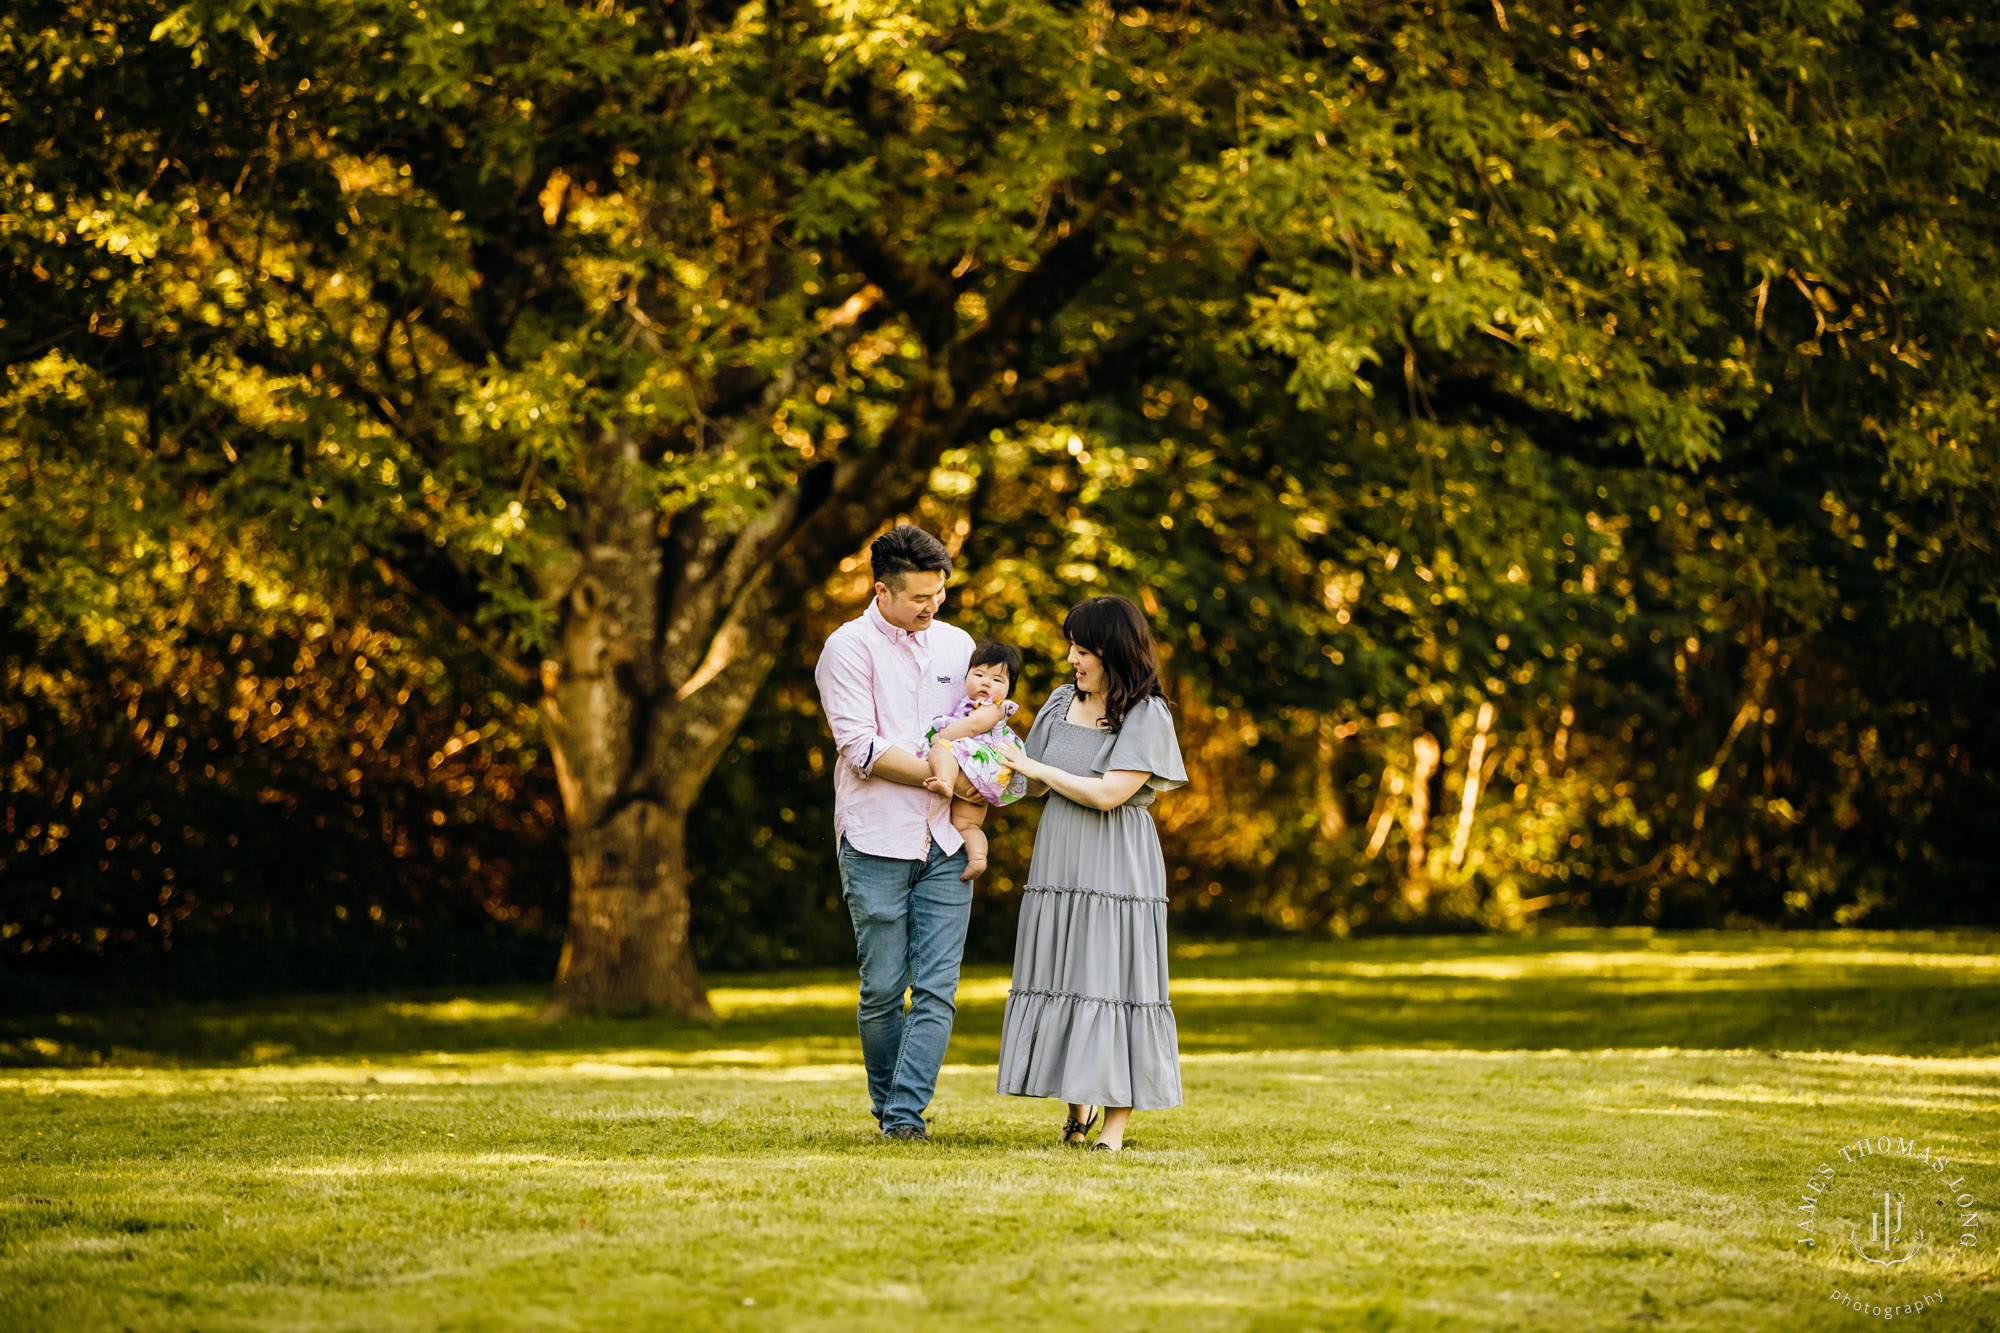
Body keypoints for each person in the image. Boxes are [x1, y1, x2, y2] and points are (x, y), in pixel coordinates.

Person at [990, 594, 1189, 1152]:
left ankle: (1115, 1126)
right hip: (1060, 858)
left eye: (1084, 650)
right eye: (1071, 648)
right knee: (1067, 974)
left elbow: (1109, 794)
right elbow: (1017, 779)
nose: (1073, 659)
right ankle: (1077, 1114)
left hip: (1116, 864)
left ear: (1114, 652)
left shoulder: (1146, 713)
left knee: (1115, 980)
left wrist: (1034, 768)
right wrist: (965, 763)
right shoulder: (1057, 702)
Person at [812, 524, 984, 1143]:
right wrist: (949, 780)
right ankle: (889, 1109)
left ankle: (905, 1118)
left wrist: (977, 791)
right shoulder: (847, 648)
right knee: (884, 989)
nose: (932, 606)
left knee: (936, 991)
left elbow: (981, 726)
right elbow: (863, 748)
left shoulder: (958, 646)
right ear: (882, 591)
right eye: (919, 598)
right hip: (875, 838)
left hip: (946, 844)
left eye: (939, 594)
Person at [920, 642, 1030, 881]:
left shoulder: (995, 707)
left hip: (980, 762)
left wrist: (940, 737)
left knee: (940, 752)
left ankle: (945, 783)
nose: (986, 682)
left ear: (1009, 690)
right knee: (967, 825)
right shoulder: (966, 703)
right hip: (984, 776)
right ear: (966, 676)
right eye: (979, 674)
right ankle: (978, 858)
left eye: (997, 680)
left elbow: (971, 727)